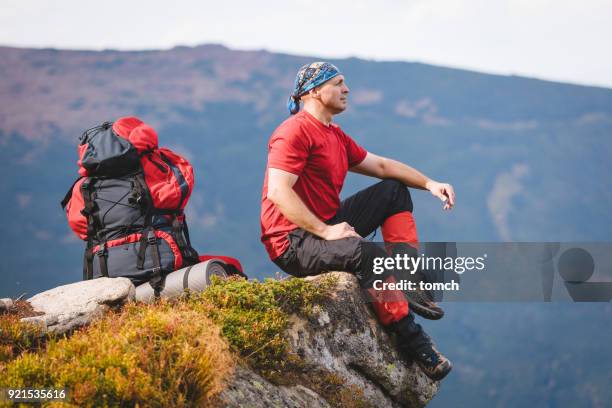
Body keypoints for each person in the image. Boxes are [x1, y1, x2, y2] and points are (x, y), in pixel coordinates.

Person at [260, 62, 456, 381]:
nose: (346, 89)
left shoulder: (334, 135)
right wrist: (326, 230)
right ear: (313, 91)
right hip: (292, 242)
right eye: (338, 83)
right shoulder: (293, 132)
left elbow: (379, 166)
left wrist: (430, 184)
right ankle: (415, 344)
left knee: (393, 191)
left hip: (325, 224)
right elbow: (279, 192)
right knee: (371, 256)